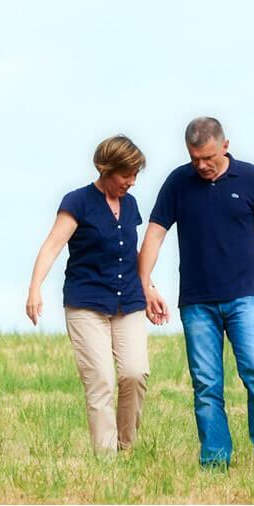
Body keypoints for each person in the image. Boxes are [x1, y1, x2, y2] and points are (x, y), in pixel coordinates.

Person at [138, 117, 254, 468]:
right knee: (206, 384)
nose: (202, 165)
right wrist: (145, 284)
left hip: (245, 297)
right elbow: (156, 234)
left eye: (207, 157)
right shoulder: (178, 182)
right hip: (196, 302)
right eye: (195, 159)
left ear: (225, 145)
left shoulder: (251, 178)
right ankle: (215, 459)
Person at [26, 135, 151, 455]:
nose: (131, 182)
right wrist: (35, 287)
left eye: (135, 174)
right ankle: (106, 460)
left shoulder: (131, 205)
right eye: (126, 174)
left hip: (129, 301)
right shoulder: (77, 202)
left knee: (135, 373)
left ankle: (127, 448)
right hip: (87, 303)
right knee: (102, 382)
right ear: (105, 168)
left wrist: (149, 287)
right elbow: (52, 245)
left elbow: (129, 252)